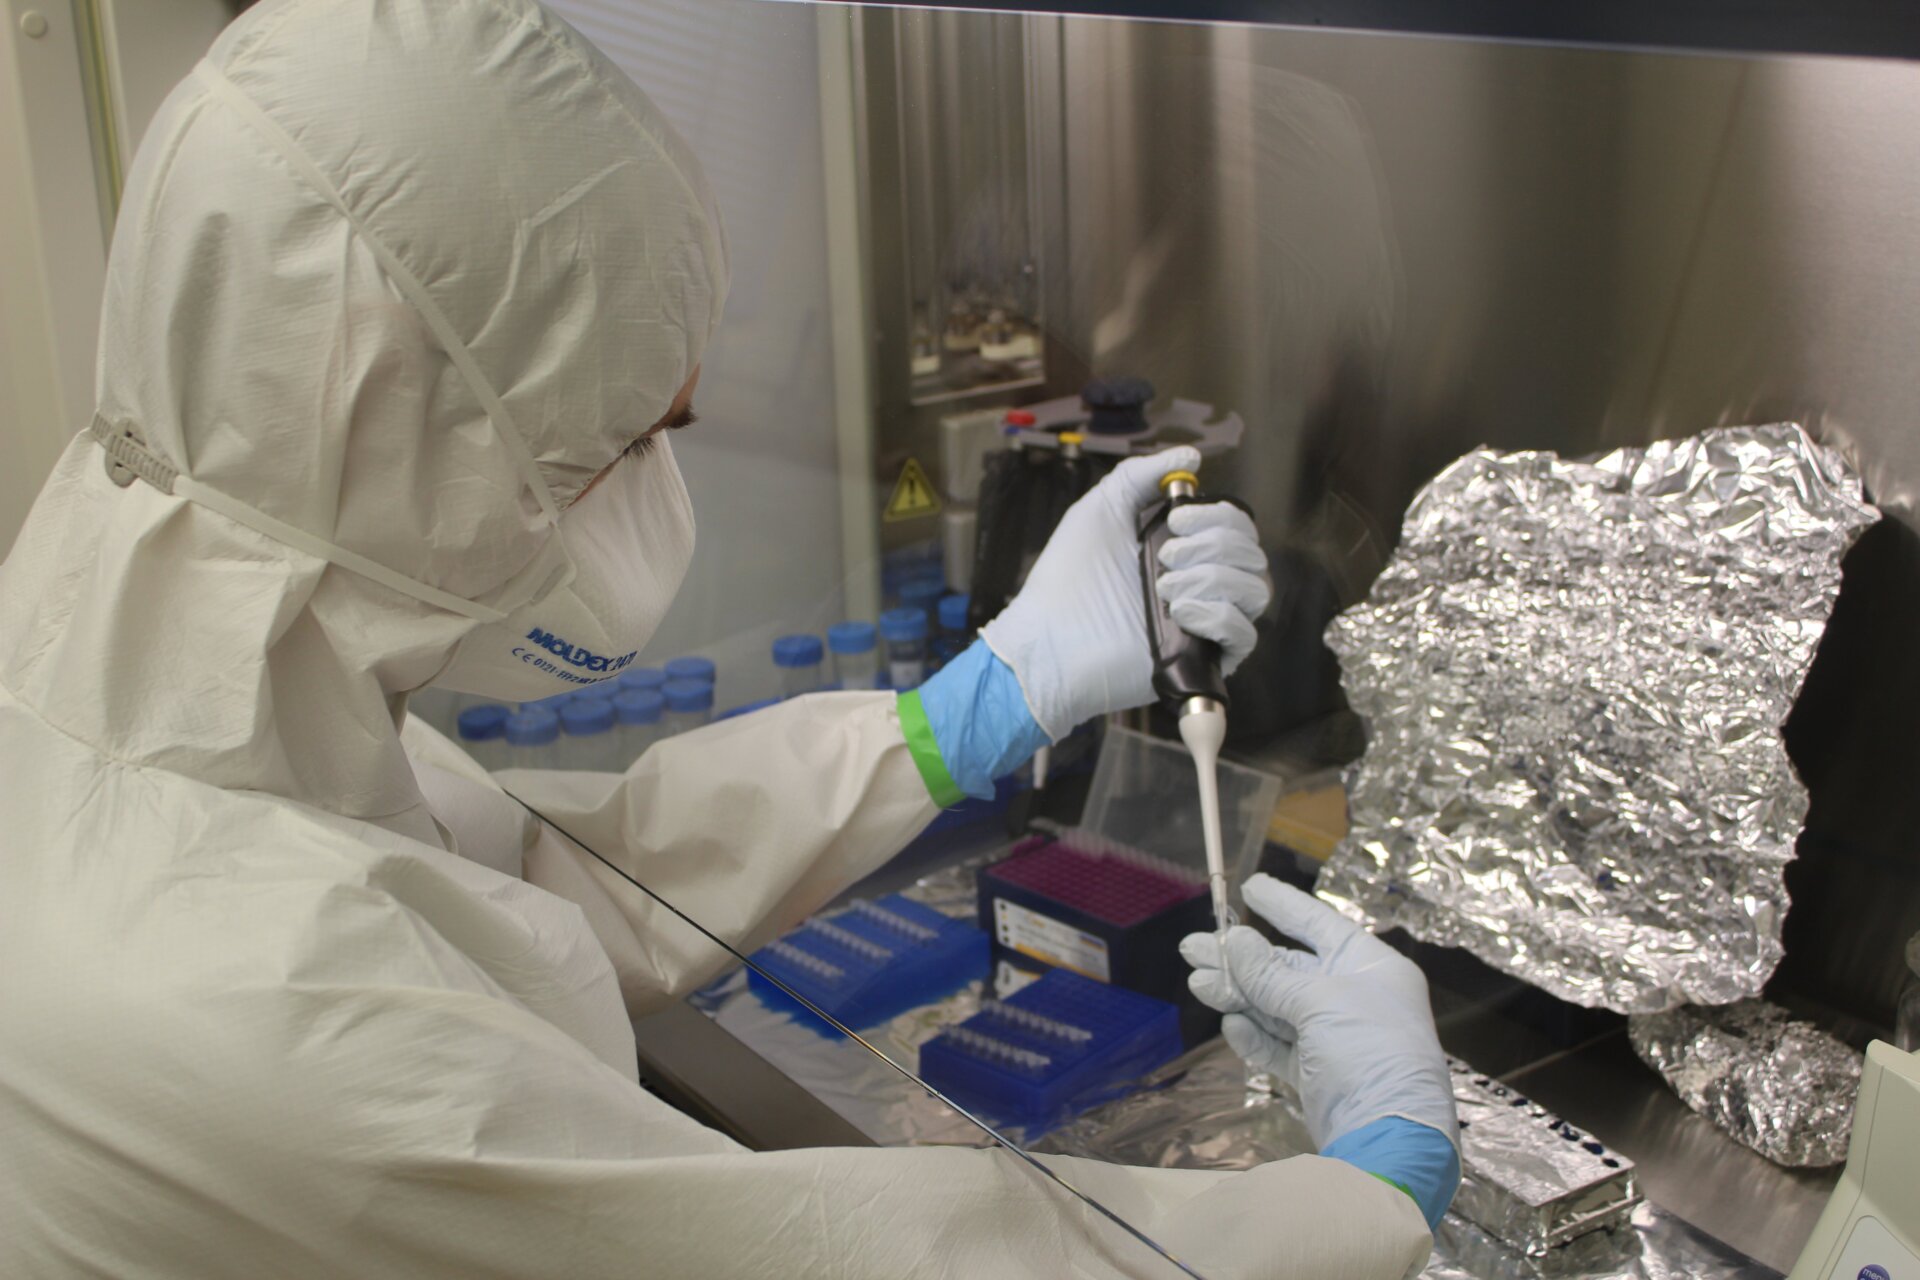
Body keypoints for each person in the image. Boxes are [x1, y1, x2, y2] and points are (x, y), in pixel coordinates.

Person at [0, 2, 1456, 1276]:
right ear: (404, 438)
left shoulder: (159, 683)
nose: (665, 495)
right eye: (635, 439)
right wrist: (1370, 1193)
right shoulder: (267, 1024)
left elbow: (534, 890)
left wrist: (984, 701)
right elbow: (853, 1260)